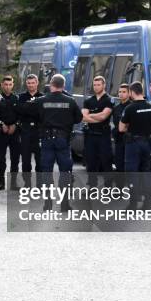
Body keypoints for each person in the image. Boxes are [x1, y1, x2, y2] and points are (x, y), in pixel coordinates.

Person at [33, 74, 82, 211]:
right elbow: (78, 119)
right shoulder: (70, 101)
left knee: (47, 172)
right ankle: (64, 205)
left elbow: (36, 117)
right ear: (63, 86)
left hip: (47, 140)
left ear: (51, 84)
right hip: (63, 141)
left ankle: (47, 204)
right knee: (65, 172)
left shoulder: (41, 100)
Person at [119, 82, 151, 210]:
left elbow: (121, 128)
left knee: (132, 174)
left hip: (133, 144)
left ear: (132, 92)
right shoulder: (150, 107)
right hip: (147, 143)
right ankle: (147, 204)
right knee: (146, 173)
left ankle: (133, 204)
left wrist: (130, 125)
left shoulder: (129, 108)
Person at [82, 76, 114, 184]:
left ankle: (107, 187)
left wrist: (90, 116)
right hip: (91, 135)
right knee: (91, 162)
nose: (96, 87)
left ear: (104, 85)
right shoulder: (88, 101)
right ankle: (92, 187)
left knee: (106, 161)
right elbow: (83, 117)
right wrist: (97, 117)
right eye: (94, 85)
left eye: (98, 85)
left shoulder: (109, 100)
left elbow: (104, 117)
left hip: (104, 135)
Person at [15, 74, 43, 186]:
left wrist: (27, 107)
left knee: (40, 160)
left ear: (37, 83)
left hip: (39, 131)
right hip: (25, 131)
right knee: (26, 161)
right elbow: (19, 111)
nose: (31, 85)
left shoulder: (42, 97)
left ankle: (40, 184)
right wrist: (32, 108)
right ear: (26, 84)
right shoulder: (21, 97)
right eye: (28, 83)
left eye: (33, 83)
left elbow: (41, 113)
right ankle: (27, 183)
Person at [0, 76, 20, 190]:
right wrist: (1, 124)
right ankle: (1, 181)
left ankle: (13, 183)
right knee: (0, 158)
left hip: (14, 131)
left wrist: (15, 124)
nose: (8, 87)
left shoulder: (17, 98)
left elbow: (21, 114)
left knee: (15, 158)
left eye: (10, 84)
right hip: (1, 131)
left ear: (13, 85)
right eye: (5, 84)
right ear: (2, 85)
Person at [111, 84, 130, 172]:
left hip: (129, 140)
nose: (121, 94)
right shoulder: (116, 108)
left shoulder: (131, 106)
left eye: (124, 92)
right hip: (118, 139)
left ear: (129, 93)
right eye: (120, 92)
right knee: (119, 164)